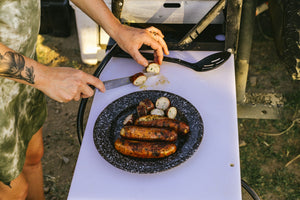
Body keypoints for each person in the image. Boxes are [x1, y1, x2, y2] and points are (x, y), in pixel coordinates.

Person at [0, 0, 169, 199]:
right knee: (15, 190)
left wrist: (117, 29)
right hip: (21, 79)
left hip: (23, 74)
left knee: (32, 158)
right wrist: (43, 76)